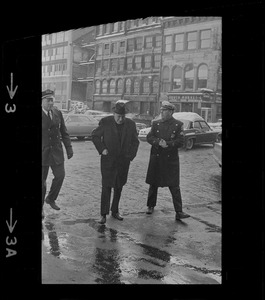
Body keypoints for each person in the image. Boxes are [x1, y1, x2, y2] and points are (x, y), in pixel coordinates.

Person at [92, 100, 139, 224]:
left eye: (123, 117)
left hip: (123, 162)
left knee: (119, 186)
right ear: (114, 114)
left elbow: (135, 142)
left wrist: (130, 156)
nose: (120, 119)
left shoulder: (130, 124)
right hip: (108, 161)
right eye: (118, 116)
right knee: (106, 187)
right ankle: (103, 214)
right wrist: (102, 149)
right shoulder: (106, 122)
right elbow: (95, 136)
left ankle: (115, 211)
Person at [145, 101, 190, 220]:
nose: (161, 113)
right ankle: (150, 206)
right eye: (161, 111)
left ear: (170, 112)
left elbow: (181, 141)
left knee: (174, 186)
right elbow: (149, 137)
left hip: (170, 160)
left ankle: (179, 211)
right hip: (157, 158)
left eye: (164, 111)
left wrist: (168, 144)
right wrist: (158, 142)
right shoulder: (156, 124)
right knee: (153, 184)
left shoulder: (178, 124)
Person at [42, 89, 73, 216]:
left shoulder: (57, 113)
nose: (51, 103)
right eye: (48, 100)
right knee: (41, 183)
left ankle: (50, 198)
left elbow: (64, 132)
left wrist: (69, 148)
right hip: (42, 153)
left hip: (56, 152)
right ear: (42, 101)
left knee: (60, 175)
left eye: (52, 100)